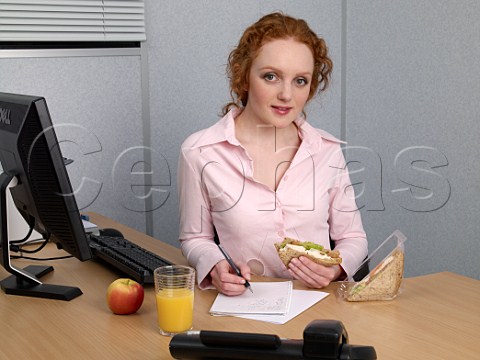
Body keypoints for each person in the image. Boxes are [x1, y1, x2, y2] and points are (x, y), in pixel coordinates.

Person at [178, 12, 367, 296]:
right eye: (271, 77)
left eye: (300, 81)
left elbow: (353, 238)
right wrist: (214, 263)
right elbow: (195, 237)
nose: (286, 95)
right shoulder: (199, 152)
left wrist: (336, 269)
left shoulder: (327, 151)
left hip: (319, 308)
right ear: (244, 77)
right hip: (244, 305)